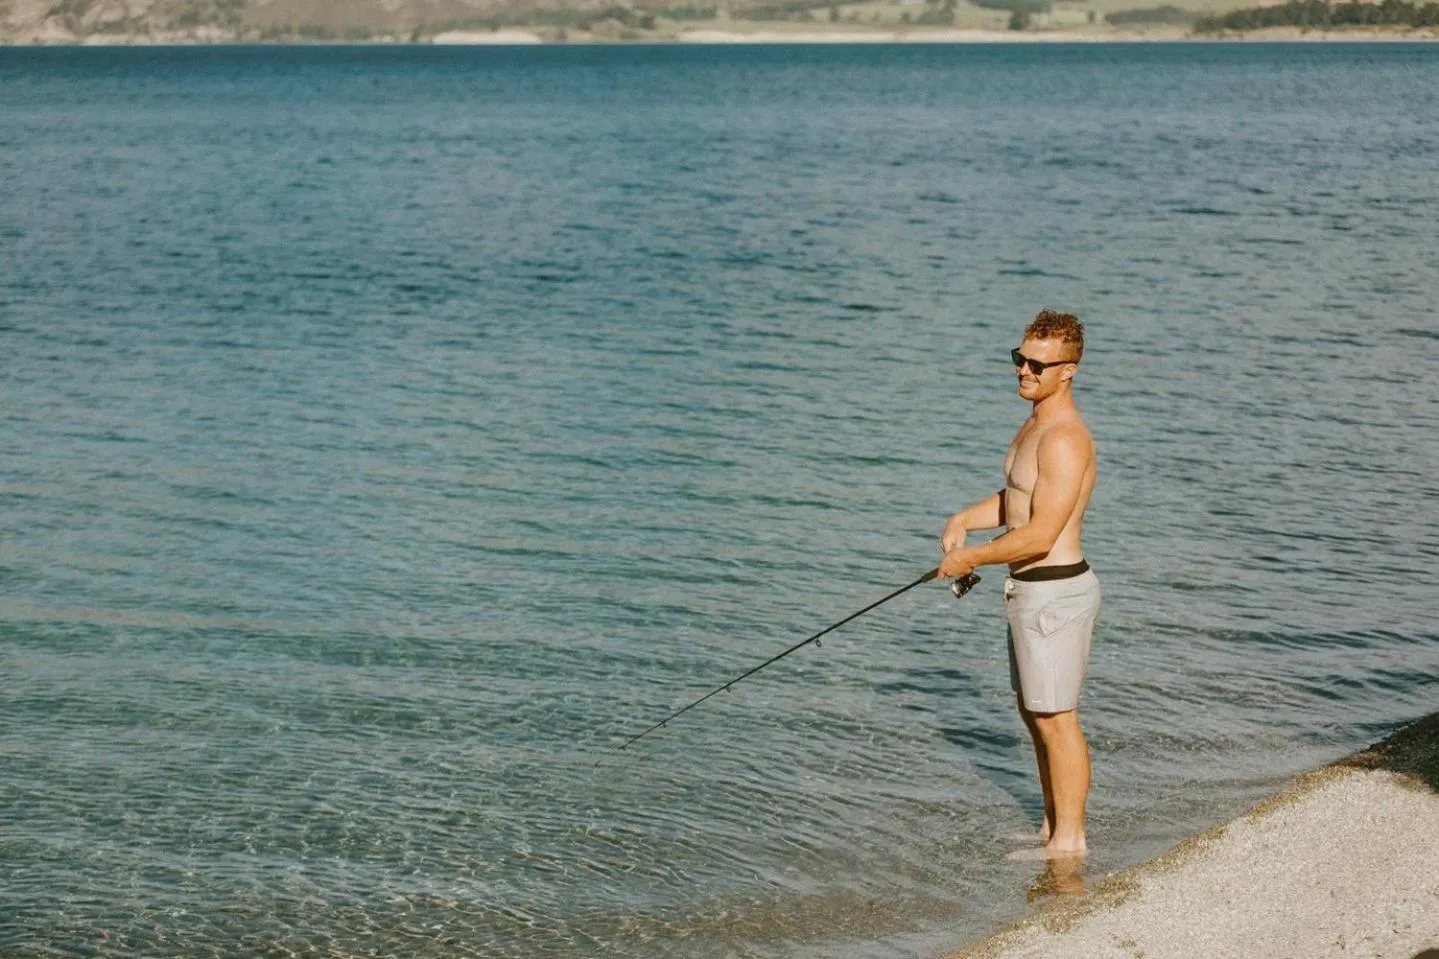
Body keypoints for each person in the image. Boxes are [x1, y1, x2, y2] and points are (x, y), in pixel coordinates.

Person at [938, 309, 1100, 860]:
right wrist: (965, 519)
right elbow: (1015, 501)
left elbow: (1039, 533)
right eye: (1019, 359)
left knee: (1058, 718)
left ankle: (1071, 841)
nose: (1023, 371)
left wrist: (972, 560)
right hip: (1028, 593)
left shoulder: (1065, 439)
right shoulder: (1034, 423)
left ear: (1068, 371)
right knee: (1036, 715)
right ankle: (1051, 828)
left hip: (1055, 590)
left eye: (1037, 364)